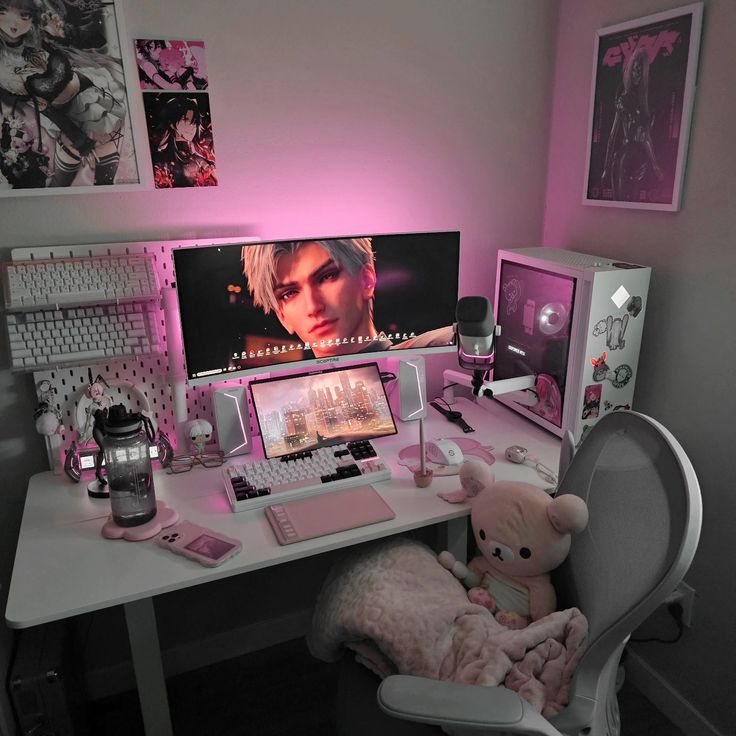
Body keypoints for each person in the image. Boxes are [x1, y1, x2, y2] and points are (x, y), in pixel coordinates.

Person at [241, 238, 453, 358]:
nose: (313, 306)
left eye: (327, 276)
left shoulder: (439, 347)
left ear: (367, 281)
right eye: (290, 293)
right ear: (282, 317)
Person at [0, 0, 127, 187]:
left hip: (85, 92)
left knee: (105, 141)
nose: (14, 22)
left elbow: (96, 41)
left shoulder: (39, 38)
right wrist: (79, 140)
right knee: (69, 165)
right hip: (56, 115)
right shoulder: (5, 65)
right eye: (3, 12)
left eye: (24, 15)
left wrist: (62, 35)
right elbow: (42, 104)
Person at [600, 47, 664, 201]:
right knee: (621, 204)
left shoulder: (644, 103)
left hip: (639, 158)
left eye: (640, 70)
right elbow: (612, 136)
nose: (636, 74)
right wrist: (606, 168)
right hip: (625, 157)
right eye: (634, 69)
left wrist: (655, 165)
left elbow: (646, 137)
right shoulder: (624, 99)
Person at [151, 95, 216, 187]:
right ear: (171, 124)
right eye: (185, 120)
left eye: (194, 121)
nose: (192, 126)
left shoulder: (202, 162)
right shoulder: (159, 160)